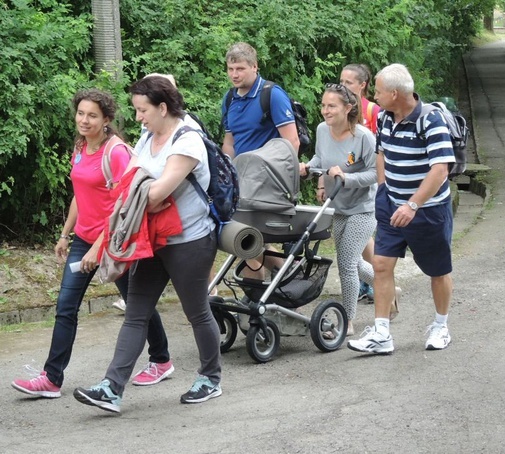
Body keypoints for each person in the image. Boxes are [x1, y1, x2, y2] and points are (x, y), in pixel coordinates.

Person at [10, 89, 173, 399]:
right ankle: (51, 378)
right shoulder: (81, 146)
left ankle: (162, 359)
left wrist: (101, 246)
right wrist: (65, 233)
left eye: (92, 115)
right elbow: (79, 193)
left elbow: (123, 203)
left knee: (136, 305)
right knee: (66, 306)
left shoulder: (117, 152)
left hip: (114, 241)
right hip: (84, 239)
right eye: (81, 113)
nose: (84, 120)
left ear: (107, 119)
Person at [74, 76, 222, 413]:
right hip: (152, 238)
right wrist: (140, 194)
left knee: (197, 311)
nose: (138, 117)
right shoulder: (148, 137)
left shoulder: (188, 140)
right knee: (136, 313)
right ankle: (111, 388)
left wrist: (141, 192)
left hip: (190, 240)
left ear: (163, 107)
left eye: (143, 110)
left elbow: (155, 193)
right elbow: (132, 189)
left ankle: (210, 378)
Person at [347, 63, 456, 354]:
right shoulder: (384, 116)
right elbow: (382, 153)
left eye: (379, 92)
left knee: (437, 270)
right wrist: (383, 190)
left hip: (428, 210)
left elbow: (440, 170)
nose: (375, 97)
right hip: (391, 204)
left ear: (395, 93)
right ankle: (382, 333)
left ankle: (440, 326)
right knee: (381, 265)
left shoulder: (431, 120)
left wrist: (412, 204)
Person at [299, 83, 377, 335]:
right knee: (353, 263)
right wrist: (308, 168)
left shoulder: (363, 137)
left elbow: (377, 174)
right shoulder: (323, 130)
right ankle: (386, 286)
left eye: (331, 106)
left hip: (363, 208)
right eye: (323, 105)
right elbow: (321, 160)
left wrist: (346, 177)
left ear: (348, 108)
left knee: (345, 263)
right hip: (338, 207)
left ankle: (348, 320)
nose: (325, 110)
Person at [221, 42, 296, 279]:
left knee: (247, 237)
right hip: (240, 179)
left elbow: (291, 142)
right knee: (251, 239)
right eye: (230, 69)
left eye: (240, 68)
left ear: (255, 67)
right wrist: (224, 172)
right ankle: (288, 278)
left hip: (268, 180)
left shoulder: (271, 94)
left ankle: (262, 289)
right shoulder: (230, 98)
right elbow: (230, 142)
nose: (234, 74)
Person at [340, 63, 380, 302]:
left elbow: (378, 152)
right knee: (361, 241)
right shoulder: (341, 109)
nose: (342, 86)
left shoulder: (373, 110)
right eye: (341, 81)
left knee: (364, 238)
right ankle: (373, 279)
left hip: (367, 183)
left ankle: (378, 281)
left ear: (362, 85)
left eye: (348, 83)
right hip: (346, 185)